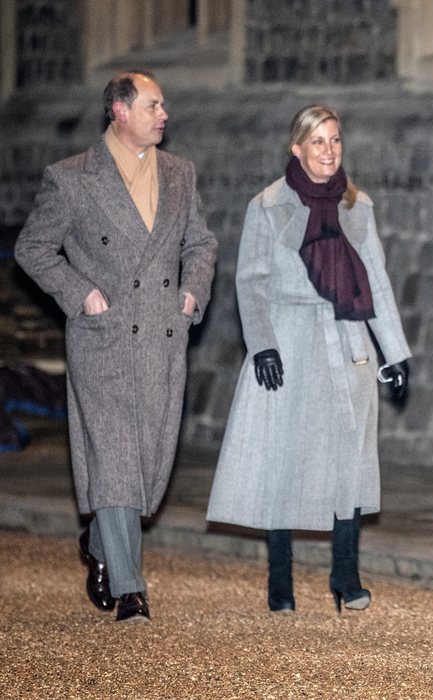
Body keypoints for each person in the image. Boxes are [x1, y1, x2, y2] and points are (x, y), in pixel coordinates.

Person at [15, 70, 218, 622]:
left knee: (148, 465)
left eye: (164, 106)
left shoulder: (180, 174)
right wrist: (81, 294)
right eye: (154, 105)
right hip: (103, 341)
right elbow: (33, 248)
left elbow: (201, 243)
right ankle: (131, 588)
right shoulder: (72, 178)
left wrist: (191, 294)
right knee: (116, 460)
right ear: (120, 111)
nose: (164, 114)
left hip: (162, 335)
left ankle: (100, 542)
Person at [206, 104, 410, 614]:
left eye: (336, 140)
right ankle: (281, 580)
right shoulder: (268, 205)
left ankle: (346, 573)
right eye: (318, 141)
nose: (329, 151)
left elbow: (378, 283)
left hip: (347, 342)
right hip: (289, 340)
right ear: (297, 148)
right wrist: (263, 345)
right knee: (284, 458)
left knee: (351, 457)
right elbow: (250, 282)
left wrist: (396, 353)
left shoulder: (357, 206)